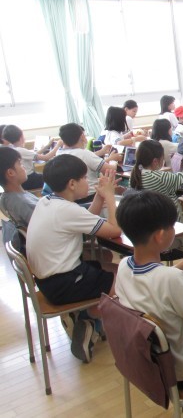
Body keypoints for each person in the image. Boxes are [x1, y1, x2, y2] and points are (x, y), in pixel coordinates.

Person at [26, 155, 122, 363]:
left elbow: (85, 220)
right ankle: (89, 319)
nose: (88, 182)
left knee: (111, 267)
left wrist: (100, 197)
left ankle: (84, 316)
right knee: (124, 279)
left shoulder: (47, 202)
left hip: (49, 282)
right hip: (64, 284)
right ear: (72, 184)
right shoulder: (66, 210)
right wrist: (110, 196)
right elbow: (115, 230)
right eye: (85, 178)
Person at [115, 190, 183, 388]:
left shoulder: (124, 266)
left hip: (150, 365)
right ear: (161, 235)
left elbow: (155, 280)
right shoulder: (171, 279)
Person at [57, 123, 121, 203]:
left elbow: (86, 158)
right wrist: (113, 160)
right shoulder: (84, 154)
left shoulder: (59, 153)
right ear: (82, 136)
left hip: (70, 198)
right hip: (90, 197)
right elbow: (110, 169)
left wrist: (101, 152)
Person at [130, 140, 183, 214]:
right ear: (155, 161)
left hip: (149, 216)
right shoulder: (159, 177)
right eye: (163, 157)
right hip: (168, 217)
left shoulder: (135, 175)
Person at [0, 147, 39, 249]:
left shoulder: (5, 198)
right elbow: (46, 227)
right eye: (20, 164)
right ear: (10, 173)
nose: (24, 167)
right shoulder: (22, 203)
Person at [2, 124, 60, 189]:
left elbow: (33, 155)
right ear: (21, 137)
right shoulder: (20, 150)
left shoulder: (12, 149)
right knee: (53, 178)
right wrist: (58, 145)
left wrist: (47, 146)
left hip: (24, 179)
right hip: (29, 179)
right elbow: (46, 158)